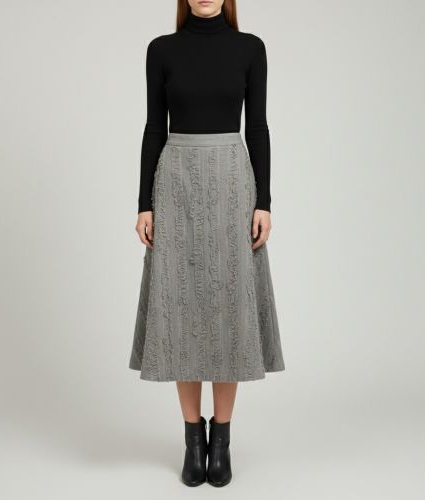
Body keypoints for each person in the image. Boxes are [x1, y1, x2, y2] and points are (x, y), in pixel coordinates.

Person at [129, 0, 285, 487]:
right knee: (181, 309)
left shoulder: (250, 49)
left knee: (228, 310)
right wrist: (144, 203)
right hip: (175, 184)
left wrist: (264, 202)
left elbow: (257, 127)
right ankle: (192, 441)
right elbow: (154, 127)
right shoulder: (161, 50)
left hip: (231, 186)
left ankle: (222, 442)